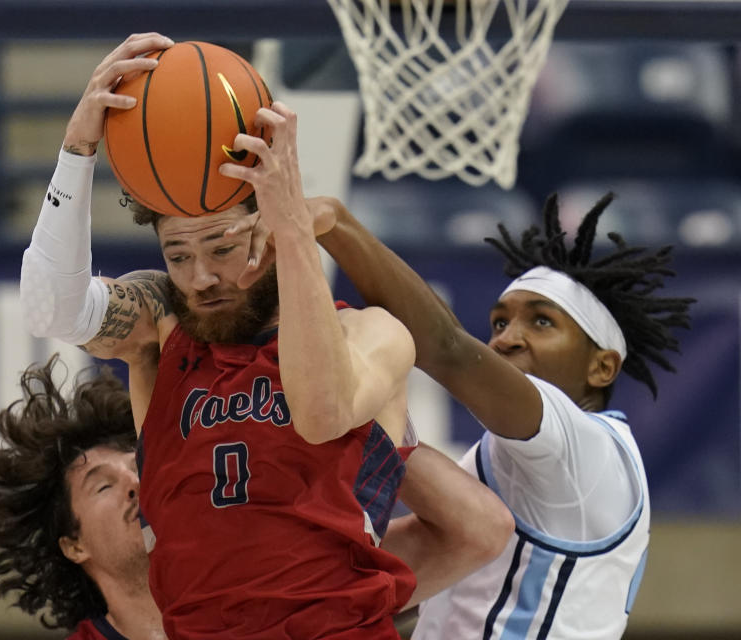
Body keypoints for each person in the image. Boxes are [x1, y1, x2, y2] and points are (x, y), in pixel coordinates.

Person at [19, 32, 512, 639]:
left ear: (269, 229)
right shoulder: (162, 330)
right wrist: (77, 148)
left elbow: (322, 409)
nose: (200, 277)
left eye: (222, 246)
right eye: (177, 254)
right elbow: (52, 310)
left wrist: (297, 229)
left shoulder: (371, 334)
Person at [259, 192, 693, 639]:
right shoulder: (502, 462)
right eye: (500, 323)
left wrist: (336, 224)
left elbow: (446, 348)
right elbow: (412, 567)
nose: (507, 339)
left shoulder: (586, 449)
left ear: (601, 367)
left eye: (541, 322)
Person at [0, 354, 165, 640]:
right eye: (103, 486)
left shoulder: (242, 603)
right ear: (74, 546)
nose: (135, 483)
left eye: (139, 468)